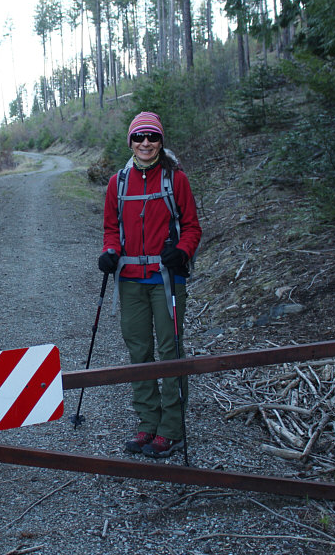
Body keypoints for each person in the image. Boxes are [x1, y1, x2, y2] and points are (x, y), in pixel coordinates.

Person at [98, 111, 203, 458]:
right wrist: (110, 252)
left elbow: (192, 227)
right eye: (139, 137)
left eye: (152, 137)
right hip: (129, 280)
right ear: (130, 141)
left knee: (170, 350)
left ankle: (172, 430)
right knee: (139, 353)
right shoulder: (118, 182)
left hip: (166, 279)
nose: (146, 143)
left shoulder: (176, 179)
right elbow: (112, 229)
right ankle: (148, 423)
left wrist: (182, 251)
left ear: (161, 141)